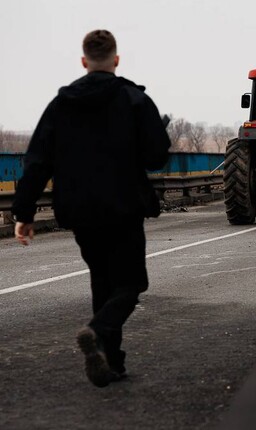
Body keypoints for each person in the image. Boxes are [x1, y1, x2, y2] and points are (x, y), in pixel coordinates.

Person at [11, 29, 171, 388]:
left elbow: (37, 161)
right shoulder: (133, 99)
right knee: (131, 282)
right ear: (116, 59)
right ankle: (98, 332)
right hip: (124, 208)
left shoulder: (61, 104)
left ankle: (110, 362)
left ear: (84, 61)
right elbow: (156, 157)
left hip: (80, 210)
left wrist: (23, 213)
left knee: (103, 281)